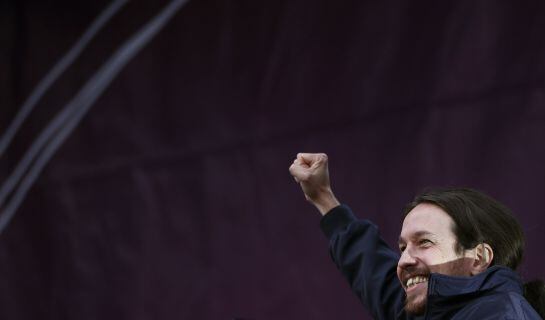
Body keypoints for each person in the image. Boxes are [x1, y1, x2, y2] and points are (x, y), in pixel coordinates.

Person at [289, 153, 545, 319]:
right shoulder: (432, 308)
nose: (403, 261)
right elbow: (374, 272)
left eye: (424, 242)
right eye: (402, 248)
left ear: (478, 258)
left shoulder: (502, 314)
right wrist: (323, 197)